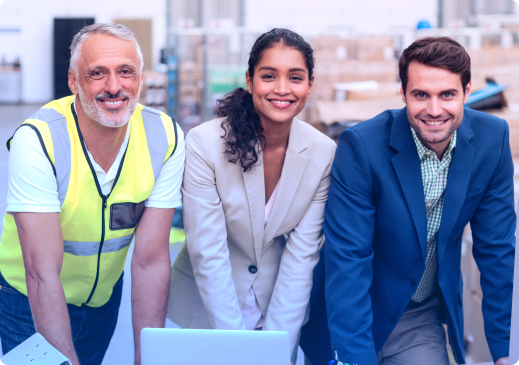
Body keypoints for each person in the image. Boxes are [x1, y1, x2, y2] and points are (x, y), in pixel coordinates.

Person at [305, 37, 515, 365]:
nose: (434, 110)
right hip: (350, 312)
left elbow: (497, 249)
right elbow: (348, 258)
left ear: (467, 92)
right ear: (403, 94)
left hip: (416, 316)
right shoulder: (361, 147)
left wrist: (504, 350)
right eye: (421, 95)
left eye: (447, 94)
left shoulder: (493, 140)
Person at [0, 23, 185, 365]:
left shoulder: (166, 137)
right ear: (74, 81)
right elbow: (42, 271)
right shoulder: (39, 140)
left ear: (141, 78)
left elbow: (150, 260)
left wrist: (149, 357)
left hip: (102, 300)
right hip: (27, 298)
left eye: (126, 72)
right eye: (97, 73)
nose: (114, 87)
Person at [166, 28, 336, 363]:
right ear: (249, 80)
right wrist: (239, 352)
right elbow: (208, 251)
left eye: (296, 77)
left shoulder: (322, 152)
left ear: (310, 85)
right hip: (208, 307)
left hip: (278, 303)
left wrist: (275, 349)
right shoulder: (205, 144)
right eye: (269, 76)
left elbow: (302, 258)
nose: (282, 89)